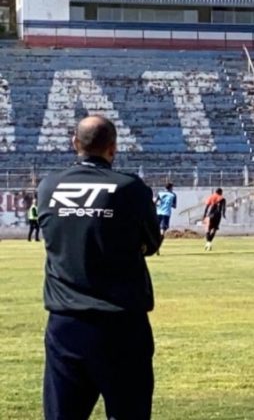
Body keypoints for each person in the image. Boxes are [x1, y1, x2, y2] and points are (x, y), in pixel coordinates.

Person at [37, 115, 160, 420]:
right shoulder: (130, 188)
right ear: (113, 148)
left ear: (74, 143)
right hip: (121, 322)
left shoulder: (49, 185)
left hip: (66, 323)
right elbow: (151, 243)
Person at [154, 183, 177, 254]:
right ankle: (157, 246)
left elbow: (154, 202)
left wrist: (158, 205)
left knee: (155, 230)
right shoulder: (173, 195)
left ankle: (153, 243)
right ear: (171, 188)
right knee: (162, 231)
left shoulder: (160, 193)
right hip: (166, 214)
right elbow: (174, 206)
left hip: (158, 213)